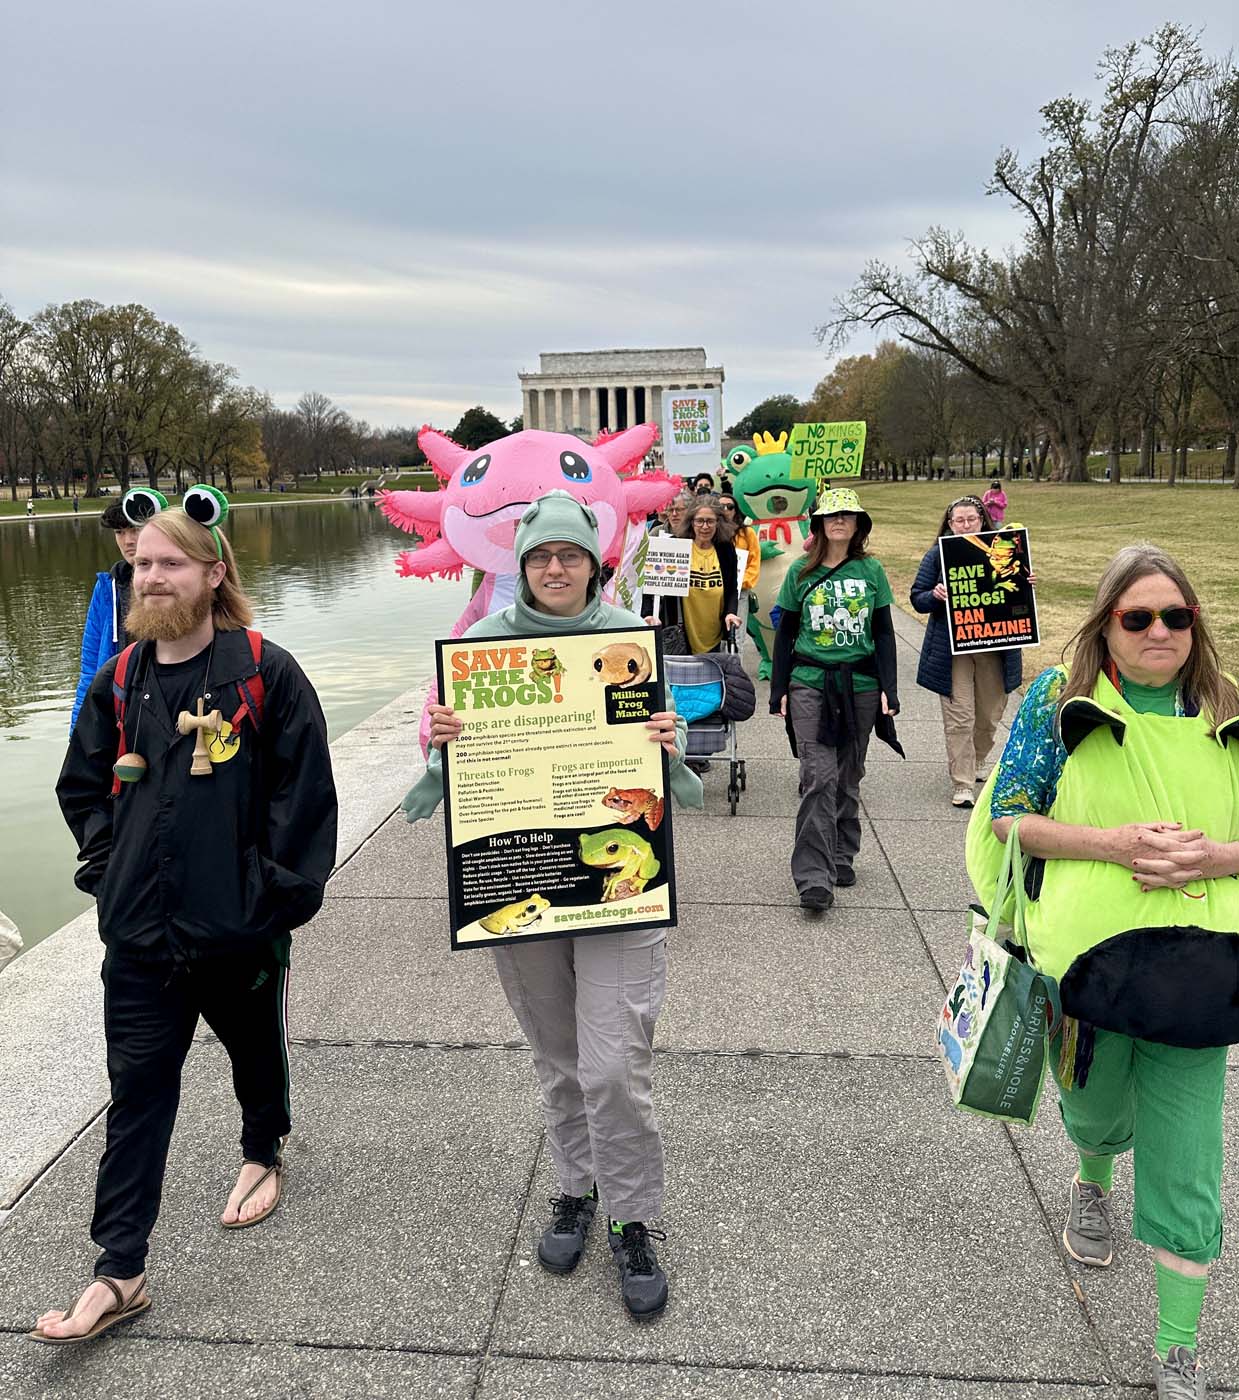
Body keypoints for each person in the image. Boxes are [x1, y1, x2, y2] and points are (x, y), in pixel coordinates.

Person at [34, 492, 337, 1345]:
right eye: (142, 564)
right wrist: (108, 868)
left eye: (171, 562)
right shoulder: (121, 677)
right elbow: (81, 786)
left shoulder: (263, 672)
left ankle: (262, 1148)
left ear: (214, 572)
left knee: (253, 1055)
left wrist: (268, 899)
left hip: (236, 931)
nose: (153, 576)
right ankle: (118, 1271)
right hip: (137, 935)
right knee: (136, 1093)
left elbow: (304, 798)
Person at [401, 490, 703, 1321]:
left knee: (614, 1063)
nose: (555, 568)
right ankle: (576, 1186)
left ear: (594, 563)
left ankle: (631, 1215)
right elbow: (450, 759)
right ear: (519, 567)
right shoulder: (479, 649)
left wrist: (668, 747)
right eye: (540, 557)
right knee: (558, 1055)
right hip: (519, 875)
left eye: (569, 555)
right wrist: (439, 741)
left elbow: (659, 783)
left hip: (619, 881)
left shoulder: (625, 644)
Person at [982, 543, 1239, 1399]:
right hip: (1085, 969)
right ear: (1106, 625)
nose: (1159, 630)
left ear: (1193, 625)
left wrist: (1212, 859)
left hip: (1204, 976)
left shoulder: (1228, 710)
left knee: (1187, 1154)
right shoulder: (1058, 704)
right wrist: (1113, 844)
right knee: (1091, 1109)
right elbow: (1009, 821)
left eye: (1176, 615)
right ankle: (1092, 1176)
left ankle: (1177, 1346)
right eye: (1138, 617)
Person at [769, 488, 900, 913]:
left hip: (859, 684)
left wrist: (889, 689)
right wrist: (779, 690)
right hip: (809, 681)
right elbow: (786, 633)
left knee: (848, 773)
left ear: (859, 523)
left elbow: (882, 633)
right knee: (818, 775)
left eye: (847, 515)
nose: (839, 521)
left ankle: (843, 851)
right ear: (820, 524)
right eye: (831, 515)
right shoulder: (800, 573)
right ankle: (813, 876)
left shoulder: (872, 570)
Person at [910, 496, 1022, 808]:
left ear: (983, 520)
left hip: (994, 646)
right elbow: (917, 598)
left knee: (988, 716)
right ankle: (962, 782)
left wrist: (1025, 583)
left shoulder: (1005, 552)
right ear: (949, 524)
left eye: (971, 519)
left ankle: (977, 761)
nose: (965, 525)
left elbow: (1016, 597)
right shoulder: (937, 556)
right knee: (960, 717)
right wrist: (934, 595)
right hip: (953, 650)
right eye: (958, 521)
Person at [70, 501, 139, 732]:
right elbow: (90, 670)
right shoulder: (106, 588)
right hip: (117, 712)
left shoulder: (177, 583)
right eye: (120, 532)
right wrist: (77, 734)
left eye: (135, 529)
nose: (128, 540)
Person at [644, 497, 742, 656]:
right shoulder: (676, 546)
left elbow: (731, 589)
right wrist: (648, 614)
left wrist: (731, 612)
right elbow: (651, 586)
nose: (705, 527)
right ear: (691, 522)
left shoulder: (725, 549)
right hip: (681, 637)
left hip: (716, 637)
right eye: (699, 521)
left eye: (710, 521)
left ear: (719, 522)